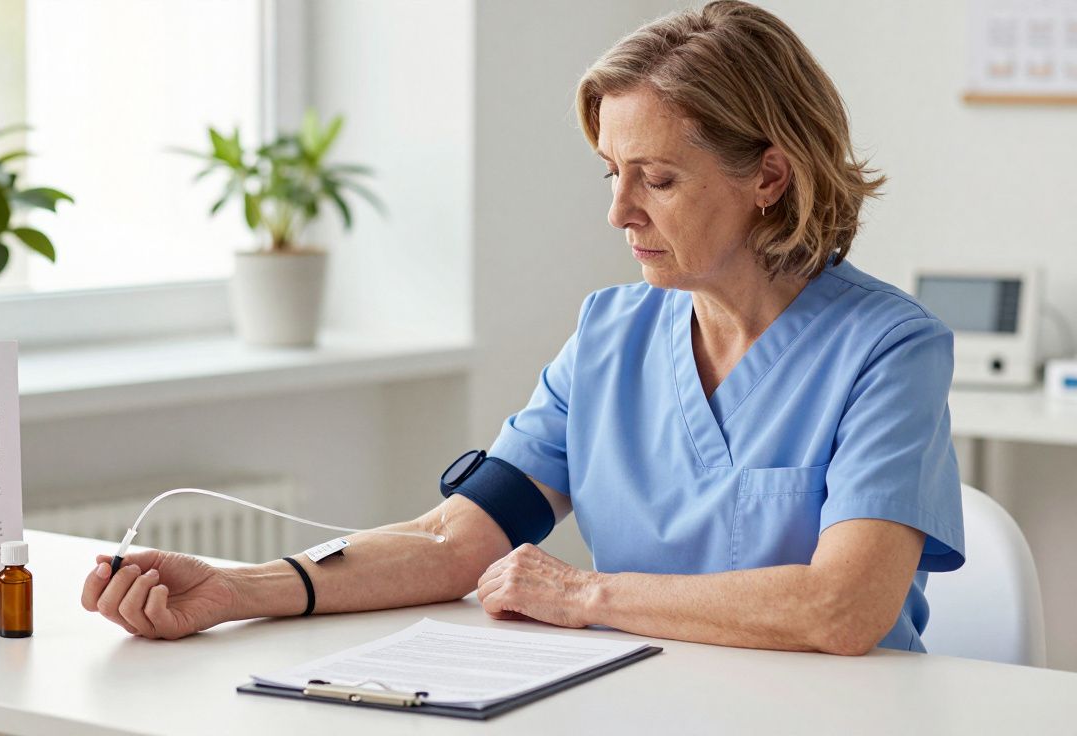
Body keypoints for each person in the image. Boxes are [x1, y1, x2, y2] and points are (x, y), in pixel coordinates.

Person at [81, 0, 965, 655]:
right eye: (609, 173)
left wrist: (586, 593)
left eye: (656, 179)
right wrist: (237, 588)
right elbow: (452, 541)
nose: (619, 211)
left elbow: (843, 608)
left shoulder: (888, 350)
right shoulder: (611, 335)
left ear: (769, 176)